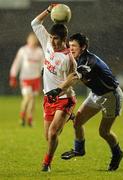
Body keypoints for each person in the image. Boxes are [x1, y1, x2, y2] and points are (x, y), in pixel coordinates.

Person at [46, 33, 123, 171]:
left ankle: (117, 154)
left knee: (104, 132)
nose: (71, 49)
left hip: (111, 96)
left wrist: (58, 90)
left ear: (83, 47)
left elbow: (75, 77)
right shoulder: (76, 59)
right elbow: (70, 77)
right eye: (69, 46)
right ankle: (79, 150)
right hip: (95, 94)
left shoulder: (89, 61)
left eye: (74, 46)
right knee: (77, 122)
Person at [31, 4, 77, 172]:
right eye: (52, 38)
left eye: (57, 39)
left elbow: (73, 77)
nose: (54, 42)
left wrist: (58, 90)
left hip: (65, 99)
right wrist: (49, 10)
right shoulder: (48, 44)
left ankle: (47, 163)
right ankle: (65, 119)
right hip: (48, 98)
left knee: (52, 133)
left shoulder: (68, 58)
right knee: (49, 136)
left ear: (64, 39)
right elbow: (35, 23)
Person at [9, 32, 44, 127]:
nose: (32, 41)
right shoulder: (23, 50)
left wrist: (44, 76)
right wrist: (13, 76)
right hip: (25, 78)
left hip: (36, 79)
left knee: (32, 99)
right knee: (28, 97)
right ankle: (22, 115)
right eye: (31, 39)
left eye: (34, 40)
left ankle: (30, 119)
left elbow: (43, 65)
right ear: (28, 40)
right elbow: (17, 63)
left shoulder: (40, 52)